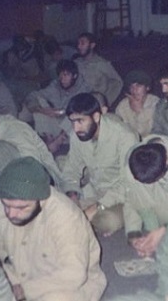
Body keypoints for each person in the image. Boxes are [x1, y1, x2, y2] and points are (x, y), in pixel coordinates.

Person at [0, 157, 106, 301]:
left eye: (21, 208)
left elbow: (74, 274)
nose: (11, 214)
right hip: (18, 277)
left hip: (64, 285)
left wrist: (23, 290)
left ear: (40, 199)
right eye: (6, 205)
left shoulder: (66, 216)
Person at [0, 98, 63, 221]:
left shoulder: (15, 129)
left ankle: (25, 214)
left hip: (40, 187)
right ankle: (20, 218)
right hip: (15, 191)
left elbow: (35, 166)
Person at [61, 92, 139, 235]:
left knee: (107, 222)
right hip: (94, 190)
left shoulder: (125, 136)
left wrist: (97, 207)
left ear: (96, 117)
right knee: (58, 206)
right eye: (72, 122)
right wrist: (72, 196)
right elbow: (71, 169)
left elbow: (129, 183)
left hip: (121, 196)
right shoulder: (77, 135)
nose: (76, 128)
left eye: (80, 121)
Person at [20, 59, 90, 142]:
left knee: (75, 114)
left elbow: (81, 111)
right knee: (39, 101)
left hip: (69, 127)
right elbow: (33, 95)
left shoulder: (83, 88)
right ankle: (49, 139)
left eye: (66, 75)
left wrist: (59, 112)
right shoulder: (55, 85)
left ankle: (58, 141)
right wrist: (41, 110)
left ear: (74, 76)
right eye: (60, 75)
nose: (62, 79)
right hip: (53, 122)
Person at [75, 32, 123, 106]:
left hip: (95, 104)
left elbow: (118, 82)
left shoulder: (101, 63)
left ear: (92, 45)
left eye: (82, 43)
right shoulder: (76, 63)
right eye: (78, 43)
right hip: (79, 102)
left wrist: (106, 101)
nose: (79, 46)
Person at [115, 69, 160, 138]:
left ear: (147, 87)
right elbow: (118, 129)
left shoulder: (156, 103)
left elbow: (147, 132)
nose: (134, 90)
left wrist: (139, 111)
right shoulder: (123, 105)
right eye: (131, 86)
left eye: (138, 86)